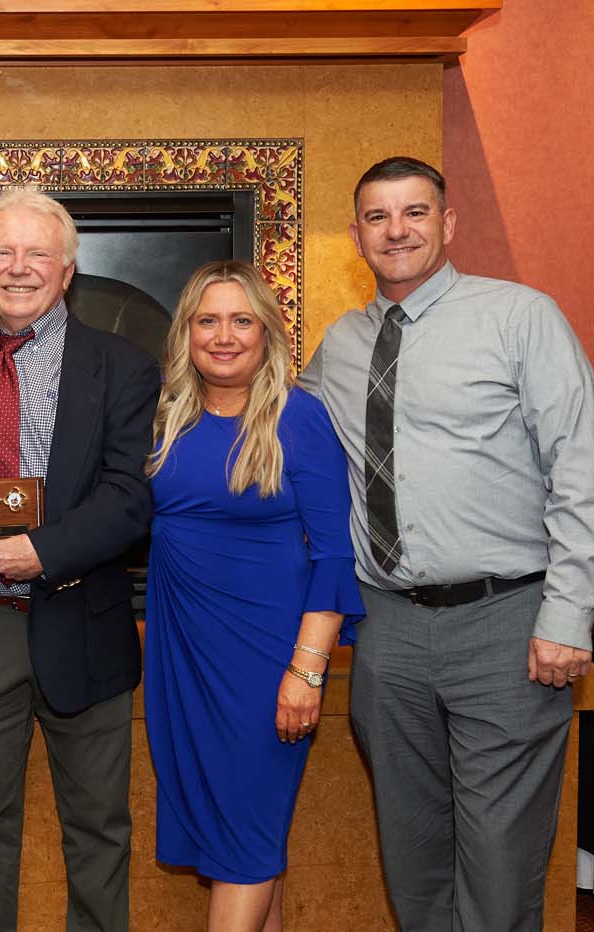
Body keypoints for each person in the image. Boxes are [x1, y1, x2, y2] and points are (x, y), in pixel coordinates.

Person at [298, 156, 594, 931]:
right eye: (378, 217)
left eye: (415, 212)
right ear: (356, 237)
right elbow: (268, 425)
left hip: (505, 624)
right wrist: (2, 331)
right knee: (413, 851)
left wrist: (567, 617)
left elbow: (579, 469)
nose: (397, 230)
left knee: (500, 859)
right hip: (389, 632)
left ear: (448, 223)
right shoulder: (339, 344)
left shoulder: (520, 317)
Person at [0, 185, 159, 932]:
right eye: (2, 252)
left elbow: (129, 497)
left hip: (82, 613)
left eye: (37, 253)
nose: (18, 268)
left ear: (68, 268)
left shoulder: (124, 367)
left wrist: (42, 549)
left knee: (100, 828)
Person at [143, 260, 363, 932]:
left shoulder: (300, 419)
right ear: (186, 334)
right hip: (184, 657)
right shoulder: (164, 416)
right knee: (239, 840)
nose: (224, 335)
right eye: (207, 320)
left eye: (242, 320)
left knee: (244, 839)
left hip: (266, 662)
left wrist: (307, 670)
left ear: (268, 332)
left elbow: (333, 553)